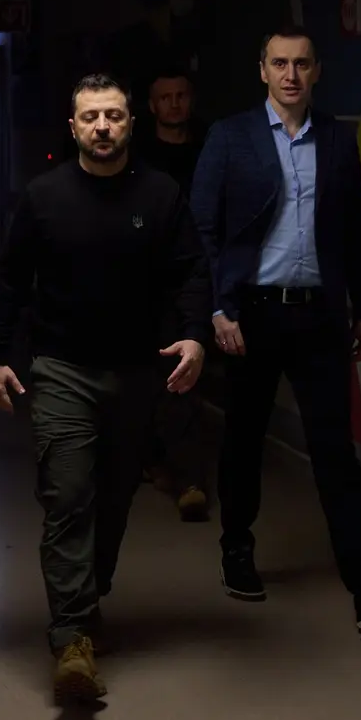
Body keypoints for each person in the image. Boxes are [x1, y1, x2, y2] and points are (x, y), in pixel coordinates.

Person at [0, 73, 212, 702]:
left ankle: (86, 597)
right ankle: (71, 637)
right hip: (61, 371)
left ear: (130, 124)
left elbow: (190, 271)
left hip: (138, 372)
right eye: (91, 117)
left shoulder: (161, 195)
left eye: (114, 115)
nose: (103, 126)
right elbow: (9, 280)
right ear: (73, 126)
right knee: (68, 496)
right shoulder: (44, 196)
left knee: (112, 501)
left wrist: (194, 335)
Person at [189, 26, 361, 634]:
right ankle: (237, 549)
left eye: (302, 64)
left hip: (320, 315)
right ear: (262, 70)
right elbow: (203, 233)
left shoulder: (339, 141)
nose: (291, 74)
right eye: (279, 63)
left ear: (316, 71)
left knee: (335, 452)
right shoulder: (231, 137)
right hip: (252, 314)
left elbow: (355, 231)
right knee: (244, 440)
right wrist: (218, 308)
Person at [133, 68, 211, 521]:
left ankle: (190, 478)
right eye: (166, 97)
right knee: (147, 380)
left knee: (182, 382)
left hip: (197, 276)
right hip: (148, 282)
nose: (175, 104)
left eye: (182, 95)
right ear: (153, 104)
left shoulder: (208, 149)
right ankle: (154, 461)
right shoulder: (139, 157)